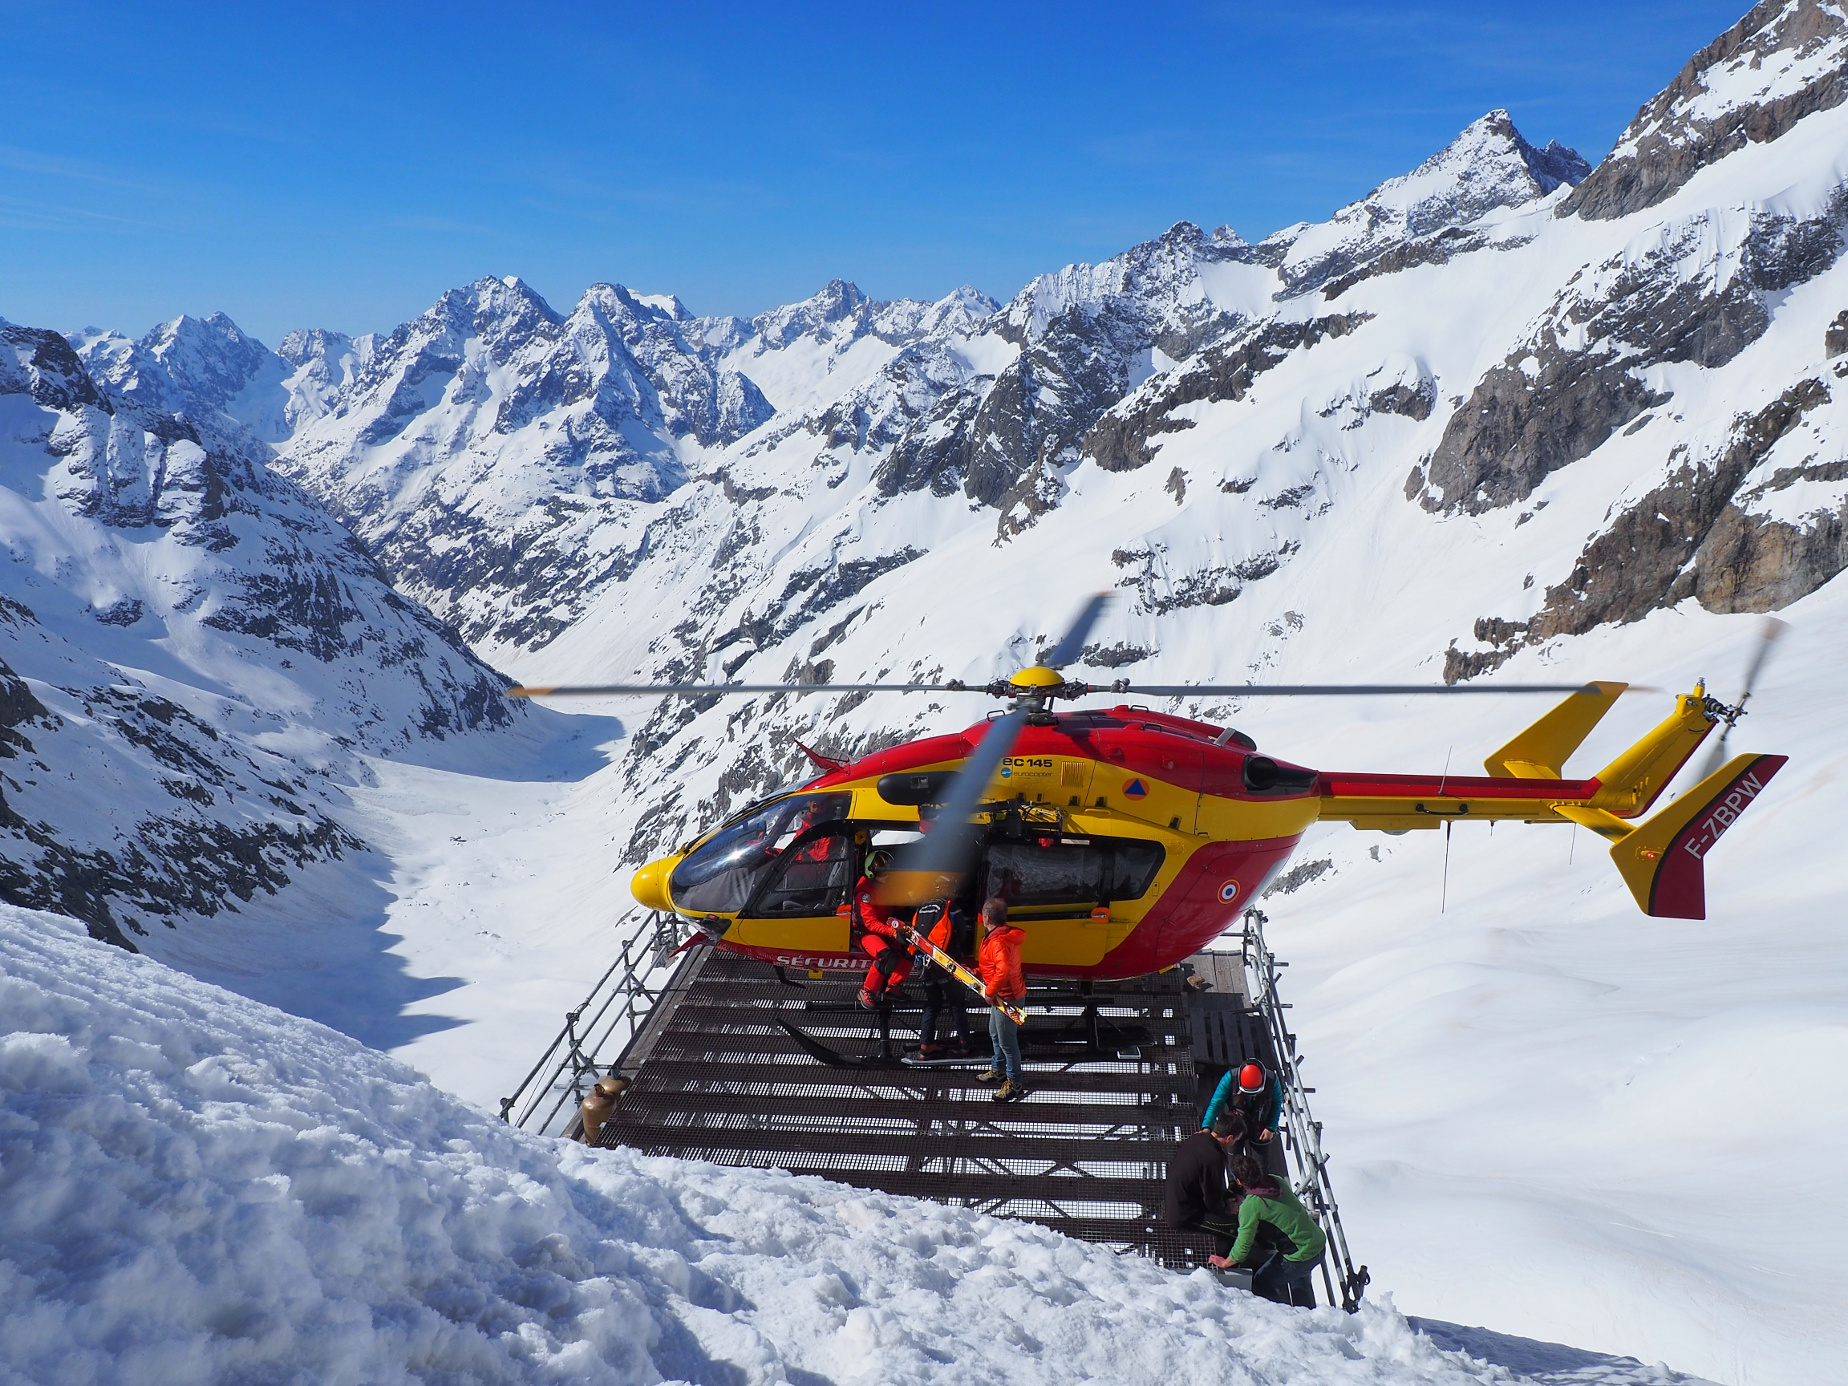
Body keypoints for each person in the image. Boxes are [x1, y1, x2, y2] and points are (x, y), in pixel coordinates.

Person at [1214, 1154, 1328, 1308]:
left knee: (1261, 1281)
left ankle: (1282, 1314)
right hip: (1317, 1241)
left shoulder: (1251, 1206)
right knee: (1298, 1277)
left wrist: (1226, 1262)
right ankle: (1307, 1312)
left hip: (1301, 1254)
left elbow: (1243, 1245)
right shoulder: (1276, 1180)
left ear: (1239, 1181)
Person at [1164, 1113, 1246, 1259]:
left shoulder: (1199, 1138)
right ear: (1229, 1138)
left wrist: (1229, 1196)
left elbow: (1208, 1185)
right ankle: (1225, 1266)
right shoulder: (1214, 1157)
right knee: (1234, 1227)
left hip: (1179, 1199)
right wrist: (1228, 1208)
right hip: (1184, 1215)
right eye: (1236, 1140)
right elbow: (1212, 1199)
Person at [975, 898, 1027, 1101]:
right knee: (994, 1033)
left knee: (1007, 1042)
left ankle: (1015, 1083)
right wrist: (978, 972)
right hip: (1002, 995)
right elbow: (994, 966)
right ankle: (998, 1069)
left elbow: (1003, 969)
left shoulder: (996, 941)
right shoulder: (1000, 935)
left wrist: (990, 991)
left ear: (987, 918)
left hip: (1007, 997)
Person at [912, 895, 977, 1058]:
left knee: (932, 1004)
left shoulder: (921, 907)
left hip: (924, 964)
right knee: (957, 1001)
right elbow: (962, 932)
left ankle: (925, 1046)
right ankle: (965, 1043)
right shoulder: (951, 907)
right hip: (945, 962)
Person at [1204, 1059, 1288, 1176]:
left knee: (1261, 1168)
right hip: (1236, 1125)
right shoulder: (1229, 1079)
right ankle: (1236, 1189)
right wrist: (1207, 1126)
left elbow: (1277, 1103)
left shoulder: (1272, 1080)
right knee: (1234, 1164)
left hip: (1260, 1126)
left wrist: (1271, 1128)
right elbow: (1216, 1103)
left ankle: (1258, 1191)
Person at [853, 850, 913, 1009]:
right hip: (865, 933)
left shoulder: (888, 884)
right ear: (872, 873)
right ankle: (866, 991)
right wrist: (893, 932)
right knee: (887, 956)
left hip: (886, 928)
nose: (887, 876)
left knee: (910, 951)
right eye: (883, 873)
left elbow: (898, 905)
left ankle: (892, 987)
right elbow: (870, 923)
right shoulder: (864, 892)